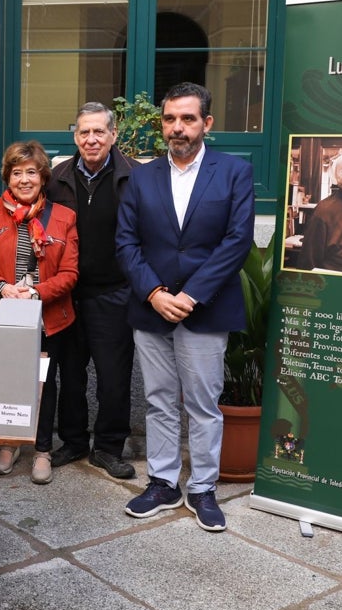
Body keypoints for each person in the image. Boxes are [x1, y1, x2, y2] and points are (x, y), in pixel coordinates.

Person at [116, 82, 254, 532]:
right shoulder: (141, 177)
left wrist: (191, 296)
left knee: (203, 403)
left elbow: (237, 242)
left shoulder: (234, 172)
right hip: (151, 307)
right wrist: (155, 293)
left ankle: (203, 488)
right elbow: (126, 243)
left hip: (206, 309)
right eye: (171, 119)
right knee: (157, 400)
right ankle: (162, 482)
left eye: (188, 118)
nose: (178, 127)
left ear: (206, 123)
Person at [46, 102, 138, 480]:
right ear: (75, 137)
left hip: (114, 293)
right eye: (84, 132)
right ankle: (72, 440)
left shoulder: (134, 176)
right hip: (66, 294)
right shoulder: (58, 177)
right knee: (70, 374)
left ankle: (109, 447)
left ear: (113, 135)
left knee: (114, 377)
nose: (92, 138)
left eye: (99, 131)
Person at [0, 141, 78, 485]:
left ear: (43, 177)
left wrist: (37, 291)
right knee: (7, 378)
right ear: (8, 176)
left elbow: (70, 274)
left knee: (43, 383)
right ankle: (9, 444)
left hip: (48, 315)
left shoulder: (64, 217)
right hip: (7, 311)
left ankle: (41, 450)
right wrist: (2, 288)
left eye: (31, 172)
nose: (24, 179)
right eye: (16, 172)